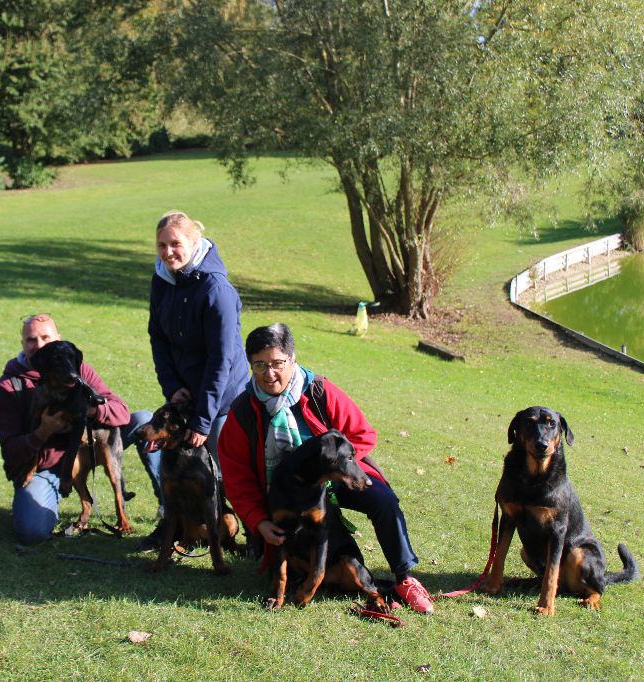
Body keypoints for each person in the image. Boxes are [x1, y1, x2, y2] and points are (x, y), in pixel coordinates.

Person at [218, 323, 435, 614]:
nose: (270, 374)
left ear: (292, 360)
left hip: (337, 479)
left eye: (277, 363)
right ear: (250, 365)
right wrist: (258, 520)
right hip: (282, 490)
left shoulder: (320, 391)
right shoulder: (244, 410)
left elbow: (363, 434)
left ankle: (405, 578)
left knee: (383, 500)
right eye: (260, 365)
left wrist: (331, 477)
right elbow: (236, 475)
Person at [0, 313, 151, 544]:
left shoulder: (78, 370)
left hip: (92, 442)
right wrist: (43, 432)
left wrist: (93, 411)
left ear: (58, 338)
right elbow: (11, 452)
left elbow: (122, 412)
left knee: (145, 419)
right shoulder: (9, 387)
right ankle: (49, 497)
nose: (39, 345)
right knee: (31, 532)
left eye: (46, 337)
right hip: (49, 465)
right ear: (22, 344)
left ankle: (168, 508)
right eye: (31, 340)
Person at [145, 210, 248, 547]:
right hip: (185, 393)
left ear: (194, 242)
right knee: (158, 444)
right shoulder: (162, 279)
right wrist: (173, 388)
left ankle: (257, 542)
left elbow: (222, 359)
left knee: (228, 473)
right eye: (162, 245)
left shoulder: (216, 288)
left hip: (223, 398)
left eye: (176, 243)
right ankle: (177, 525)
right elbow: (158, 338)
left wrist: (203, 420)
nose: (168, 251)